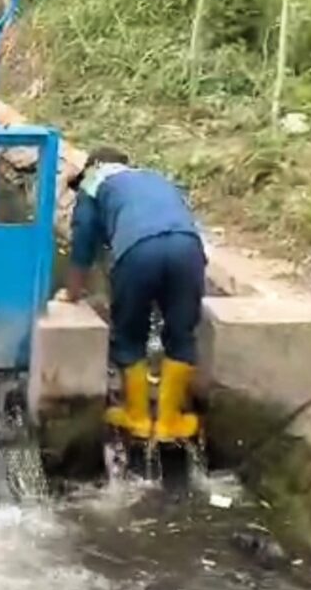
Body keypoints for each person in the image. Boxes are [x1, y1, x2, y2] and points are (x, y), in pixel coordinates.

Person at [65, 146, 206, 442]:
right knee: (181, 332)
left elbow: (82, 244)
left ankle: (138, 417)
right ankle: (169, 422)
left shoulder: (93, 182)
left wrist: (72, 294)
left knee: (130, 334)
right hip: (188, 248)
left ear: (92, 166)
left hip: (137, 252)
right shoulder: (155, 178)